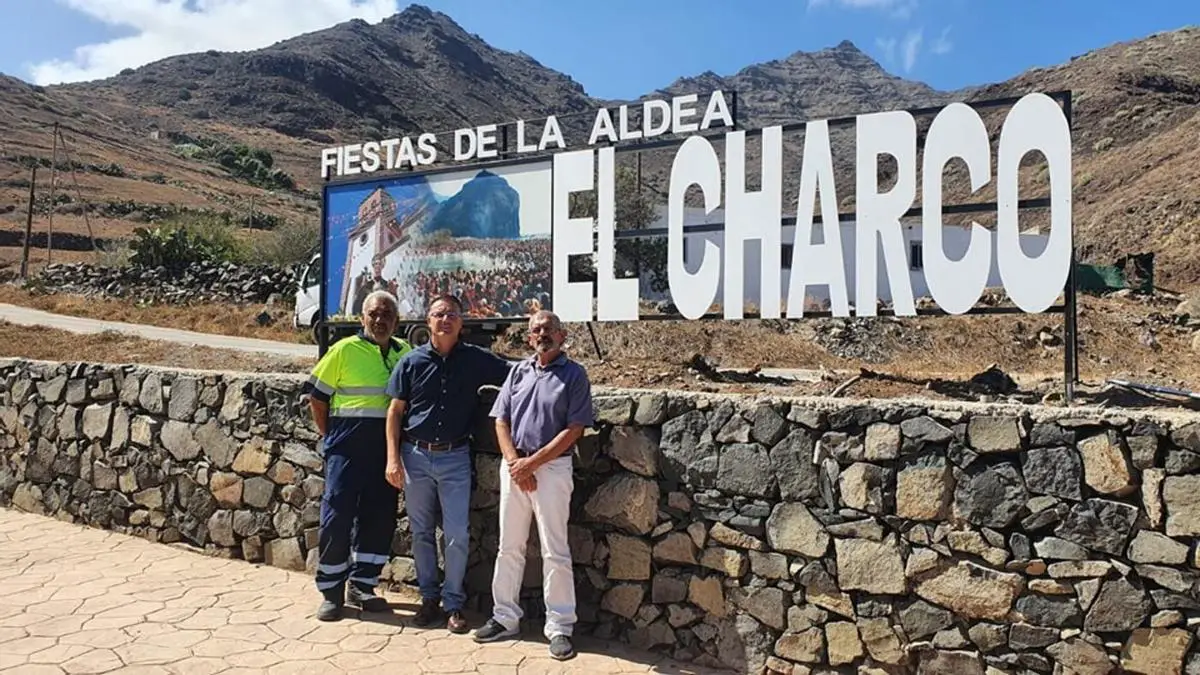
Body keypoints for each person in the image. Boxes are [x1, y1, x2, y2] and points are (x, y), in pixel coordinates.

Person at [384, 294, 512, 633]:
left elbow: (516, 374)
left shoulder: (476, 360)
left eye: (452, 314)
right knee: (422, 532)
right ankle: (428, 600)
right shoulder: (410, 363)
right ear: (428, 321)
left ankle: (453, 603)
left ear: (461, 322)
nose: (445, 320)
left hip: (455, 457)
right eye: (439, 314)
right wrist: (392, 459)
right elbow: (395, 412)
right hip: (415, 457)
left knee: (456, 534)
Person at [472, 310, 594, 661]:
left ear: (562, 335)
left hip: (552, 469)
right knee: (508, 546)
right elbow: (500, 420)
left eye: (549, 329)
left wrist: (532, 463)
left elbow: (575, 429)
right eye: (536, 330)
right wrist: (515, 463)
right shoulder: (519, 372)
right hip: (515, 468)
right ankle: (504, 617)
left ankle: (559, 627)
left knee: (555, 550)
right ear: (528, 337)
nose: (542, 334)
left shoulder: (574, 375)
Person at [306, 290, 412, 622]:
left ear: (397, 322)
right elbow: (317, 397)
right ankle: (332, 592)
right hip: (347, 451)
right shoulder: (342, 350)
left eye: (387, 316)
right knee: (337, 518)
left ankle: (363, 586)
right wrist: (331, 437)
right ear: (362, 318)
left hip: (385, 451)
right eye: (374, 314)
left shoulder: (404, 353)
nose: (380, 321)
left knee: (379, 518)